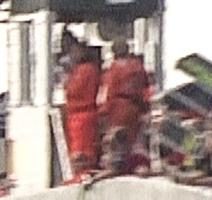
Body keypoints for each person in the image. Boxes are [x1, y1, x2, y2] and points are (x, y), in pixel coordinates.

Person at [99, 39, 153, 164]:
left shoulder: (114, 68)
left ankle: (120, 163)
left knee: (119, 138)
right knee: (133, 139)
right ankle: (133, 162)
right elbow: (146, 87)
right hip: (135, 106)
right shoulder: (137, 65)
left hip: (118, 106)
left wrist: (104, 111)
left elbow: (108, 89)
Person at [62, 39, 102, 180]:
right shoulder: (78, 71)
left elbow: (73, 91)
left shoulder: (87, 70)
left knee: (82, 150)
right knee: (76, 148)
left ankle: (82, 175)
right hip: (75, 116)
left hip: (83, 114)